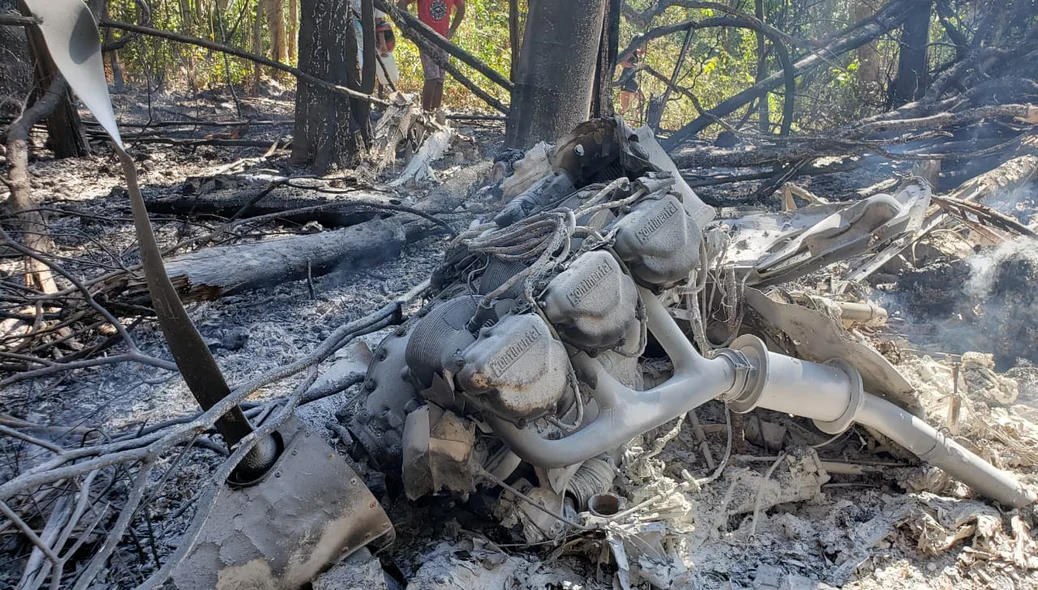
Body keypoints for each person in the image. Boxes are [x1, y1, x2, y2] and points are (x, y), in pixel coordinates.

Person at [398, 0, 466, 111]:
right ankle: (425, 112)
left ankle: (435, 113)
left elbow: (461, 9)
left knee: (440, 79)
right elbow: (401, 4)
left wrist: (452, 30)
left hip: (443, 40)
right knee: (432, 77)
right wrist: (411, 26)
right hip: (425, 39)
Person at [617, 46, 646, 119]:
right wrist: (633, 65)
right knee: (642, 99)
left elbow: (642, 52)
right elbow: (622, 62)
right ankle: (635, 119)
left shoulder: (636, 52)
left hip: (627, 80)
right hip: (628, 80)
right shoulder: (630, 52)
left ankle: (619, 119)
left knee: (624, 107)